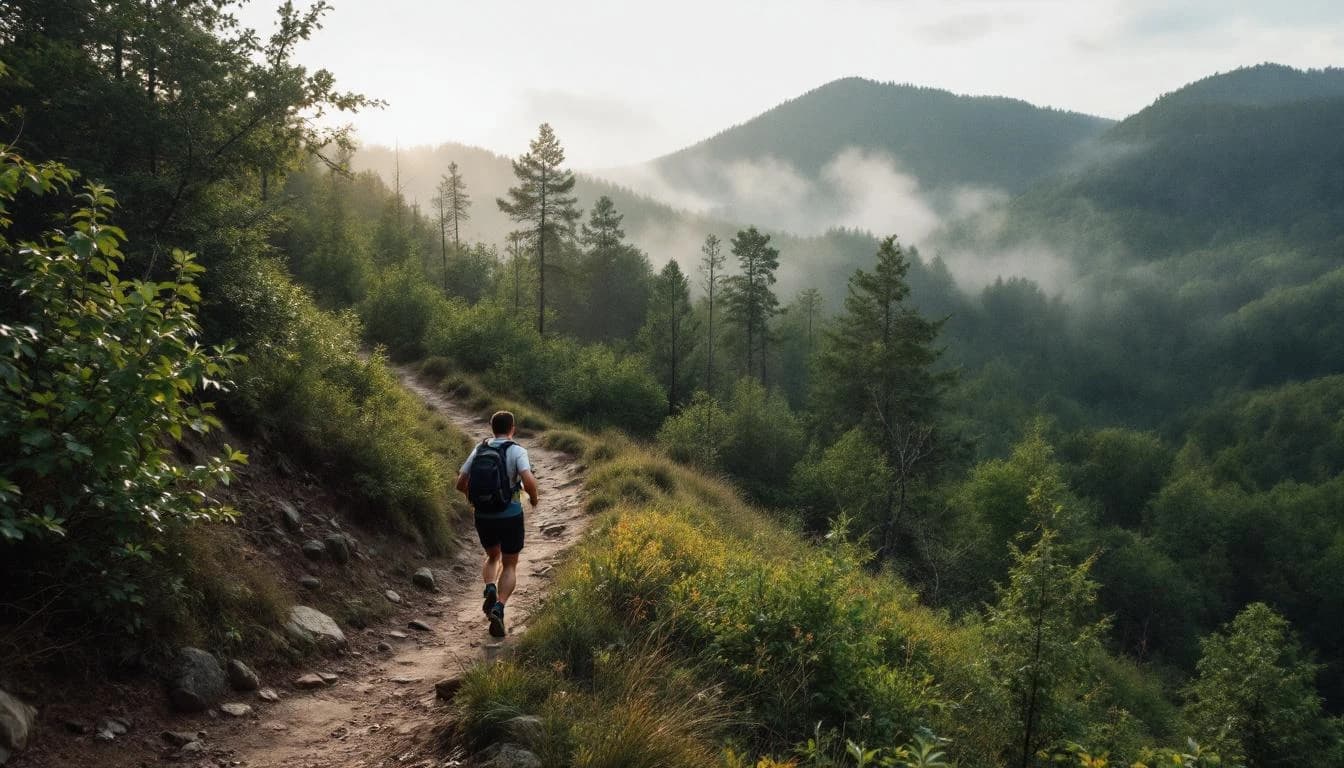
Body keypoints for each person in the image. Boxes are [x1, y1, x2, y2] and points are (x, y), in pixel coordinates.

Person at [456, 410, 540, 637]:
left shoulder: (480, 449)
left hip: (484, 516)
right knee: (510, 564)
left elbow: (461, 483)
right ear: (513, 428)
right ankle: (499, 607)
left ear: (492, 428)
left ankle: (490, 586)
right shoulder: (517, 451)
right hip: (510, 515)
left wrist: (476, 502)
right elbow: (528, 480)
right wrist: (533, 499)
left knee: (493, 556)